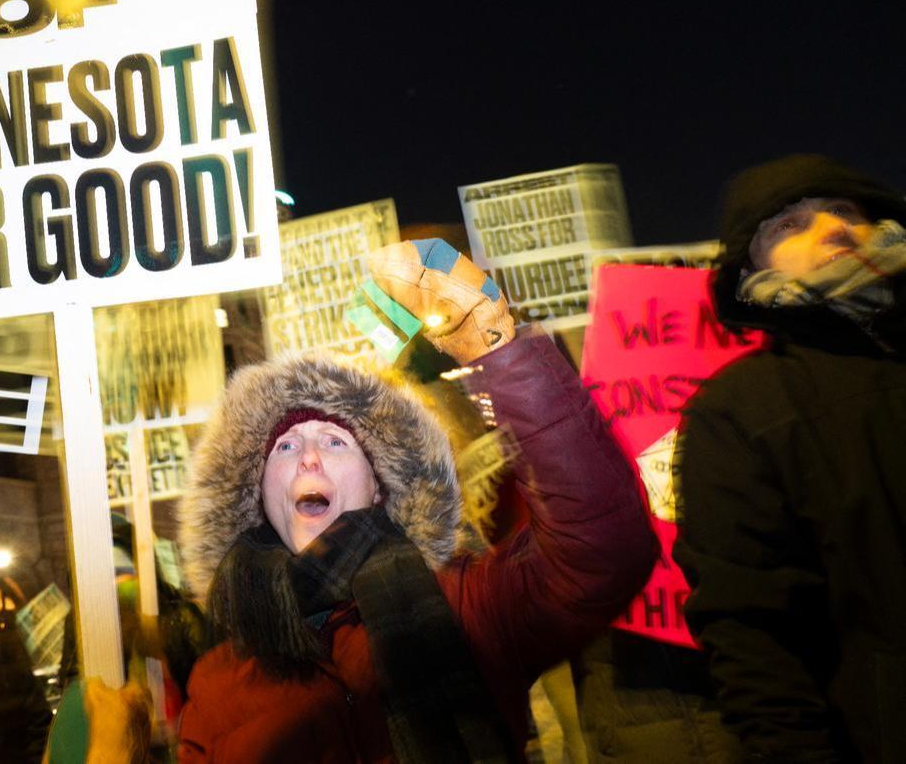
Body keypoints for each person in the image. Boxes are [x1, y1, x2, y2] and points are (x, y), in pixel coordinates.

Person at [176, 239, 657, 762]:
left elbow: (605, 552)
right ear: (259, 496)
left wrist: (494, 343)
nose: (309, 458)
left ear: (378, 485)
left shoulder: (468, 605)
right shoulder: (214, 685)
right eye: (286, 447)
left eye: (335, 442)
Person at [674, 155, 906, 762]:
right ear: (751, 267)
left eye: (845, 210)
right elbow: (753, 638)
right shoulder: (740, 411)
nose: (830, 228)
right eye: (788, 225)